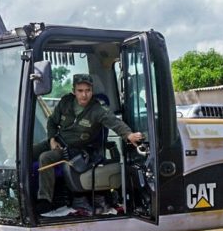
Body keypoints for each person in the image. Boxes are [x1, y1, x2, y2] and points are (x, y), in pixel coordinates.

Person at [35, 73, 143, 215]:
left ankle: (45, 201)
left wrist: (129, 135)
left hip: (75, 149)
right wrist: (51, 139)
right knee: (25, 153)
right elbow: (52, 122)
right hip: (57, 140)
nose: (84, 95)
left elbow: (114, 122)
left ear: (92, 91)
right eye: (80, 91)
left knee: (45, 157)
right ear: (74, 91)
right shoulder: (65, 102)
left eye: (88, 90)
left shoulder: (97, 109)